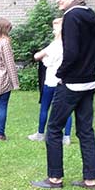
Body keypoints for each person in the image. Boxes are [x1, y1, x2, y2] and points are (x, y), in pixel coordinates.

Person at [32, 0, 95, 190]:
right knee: (86, 131)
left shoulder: (72, 16)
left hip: (71, 83)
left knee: (53, 129)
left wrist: (61, 74)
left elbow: (71, 52)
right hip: (89, 82)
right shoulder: (91, 14)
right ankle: (90, 180)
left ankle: (54, 178)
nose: (58, 0)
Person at [28, 17, 74, 145]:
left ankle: (40, 133)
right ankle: (67, 136)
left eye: (54, 28)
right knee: (66, 110)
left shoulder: (54, 45)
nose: (53, 31)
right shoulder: (70, 44)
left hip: (51, 81)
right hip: (65, 81)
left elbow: (40, 58)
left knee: (45, 107)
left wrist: (44, 58)